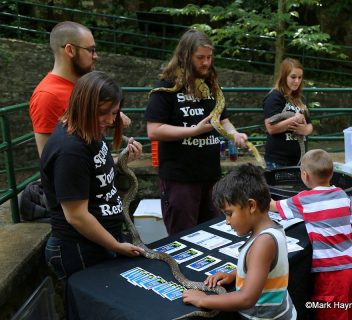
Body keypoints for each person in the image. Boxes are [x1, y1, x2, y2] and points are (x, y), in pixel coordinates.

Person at [41, 71, 144, 280]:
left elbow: (92, 172)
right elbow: (76, 216)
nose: (109, 120)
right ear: (83, 106)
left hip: (98, 242)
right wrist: (116, 246)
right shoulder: (70, 149)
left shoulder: (90, 131)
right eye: (102, 113)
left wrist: (122, 160)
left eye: (114, 113)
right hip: (78, 248)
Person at [145, 29, 248, 235]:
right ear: (185, 56)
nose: (206, 63)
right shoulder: (167, 87)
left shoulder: (212, 86)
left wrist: (235, 134)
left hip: (211, 177)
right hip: (179, 179)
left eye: (209, 57)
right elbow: (154, 130)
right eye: (200, 58)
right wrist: (194, 130)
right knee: (182, 237)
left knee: (215, 234)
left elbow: (223, 120)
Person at [182, 164, 297, 319]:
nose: (227, 222)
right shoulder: (271, 230)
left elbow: (246, 298)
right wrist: (234, 275)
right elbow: (263, 269)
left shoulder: (263, 243)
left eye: (229, 214)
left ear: (251, 205)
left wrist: (204, 299)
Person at [269, 149, 352, 320]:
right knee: (350, 311)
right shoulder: (342, 194)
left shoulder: (304, 199)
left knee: (330, 315)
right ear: (332, 173)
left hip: (331, 272)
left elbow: (273, 206)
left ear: (305, 175)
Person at [29, 21, 130, 157]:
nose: (95, 56)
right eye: (91, 50)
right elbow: (52, 160)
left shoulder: (83, 85)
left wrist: (111, 117)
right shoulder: (47, 96)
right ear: (70, 50)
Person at [262, 58, 313, 169]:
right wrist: (294, 119)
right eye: (293, 77)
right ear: (284, 76)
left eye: (300, 77)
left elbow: (310, 126)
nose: (297, 81)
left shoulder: (301, 99)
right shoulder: (274, 97)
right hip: (278, 161)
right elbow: (271, 128)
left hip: (300, 161)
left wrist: (304, 130)